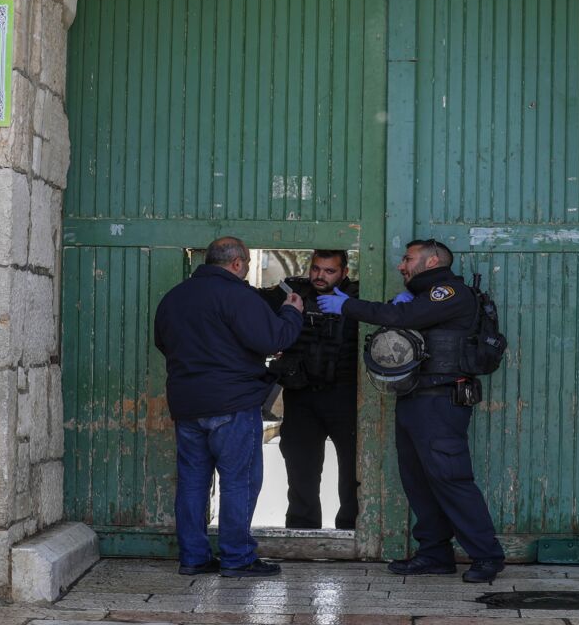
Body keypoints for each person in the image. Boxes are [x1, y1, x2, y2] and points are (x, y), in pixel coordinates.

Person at [317, 239, 506, 584]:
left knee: (450, 478)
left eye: (408, 259)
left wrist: (348, 307)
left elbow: (402, 317)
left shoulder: (449, 293)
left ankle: (487, 556)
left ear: (432, 261)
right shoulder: (424, 296)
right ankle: (434, 553)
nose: (402, 266)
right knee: (417, 481)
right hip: (416, 398)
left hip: (441, 400)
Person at [153, 236, 304, 578]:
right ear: (237, 263)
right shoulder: (238, 295)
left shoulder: (174, 298)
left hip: (188, 404)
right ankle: (237, 557)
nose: (246, 271)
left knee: (193, 482)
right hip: (233, 404)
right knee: (239, 481)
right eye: (247, 265)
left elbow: (164, 343)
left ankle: (193, 558)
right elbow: (272, 339)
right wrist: (290, 313)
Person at [259, 250, 360, 530]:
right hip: (301, 396)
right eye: (316, 269)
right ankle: (302, 528)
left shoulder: (359, 298)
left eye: (329, 271)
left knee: (353, 470)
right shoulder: (292, 292)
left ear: (344, 272)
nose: (320, 276)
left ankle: (351, 529)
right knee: (301, 467)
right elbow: (247, 304)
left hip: (345, 397)